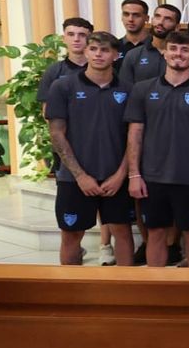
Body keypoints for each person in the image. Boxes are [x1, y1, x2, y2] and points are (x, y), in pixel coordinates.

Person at [125, 30, 189, 267]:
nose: (178, 54)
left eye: (185, 50)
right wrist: (134, 174)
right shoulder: (143, 89)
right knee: (155, 235)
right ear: (164, 53)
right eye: (173, 49)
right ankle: (158, 295)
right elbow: (135, 134)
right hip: (153, 177)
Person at [47, 30, 134, 267]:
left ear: (116, 55)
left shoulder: (128, 89)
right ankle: (71, 293)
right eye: (93, 49)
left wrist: (120, 175)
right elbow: (56, 133)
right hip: (73, 179)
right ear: (85, 51)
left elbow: (134, 137)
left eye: (105, 50)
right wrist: (80, 176)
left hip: (115, 177)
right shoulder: (63, 86)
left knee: (122, 232)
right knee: (72, 235)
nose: (98, 54)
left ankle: (129, 292)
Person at [118, 4, 180, 87]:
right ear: (152, 19)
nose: (160, 22)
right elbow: (125, 88)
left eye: (167, 19)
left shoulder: (183, 55)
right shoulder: (133, 55)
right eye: (157, 16)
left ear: (177, 27)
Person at [37, 17, 92, 109]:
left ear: (90, 38)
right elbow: (47, 110)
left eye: (82, 35)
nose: (76, 39)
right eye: (71, 34)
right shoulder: (53, 71)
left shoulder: (102, 70)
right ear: (64, 38)